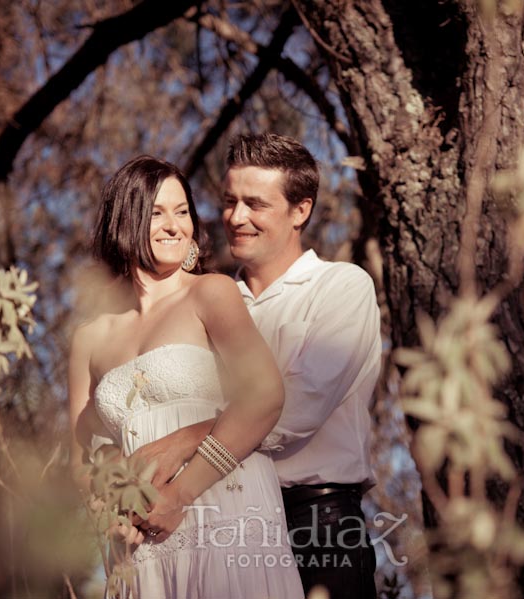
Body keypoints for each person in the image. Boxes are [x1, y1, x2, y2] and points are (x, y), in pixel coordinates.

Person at [136, 134, 382, 599]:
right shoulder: (207, 302)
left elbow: (294, 408)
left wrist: (186, 439)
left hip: (317, 525)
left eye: (256, 203)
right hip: (216, 519)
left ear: (300, 210)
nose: (236, 217)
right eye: (230, 201)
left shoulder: (342, 287)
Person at [67, 155, 304, 599]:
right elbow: (80, 458)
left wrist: (181, 494)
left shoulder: (210, 292)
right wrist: (111, 514)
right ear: (125, 219)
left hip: (223, 506)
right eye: (157, 212)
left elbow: (265, 395)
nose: (175, 225)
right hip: (139, 536)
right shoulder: (89, 338)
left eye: (182, 212)